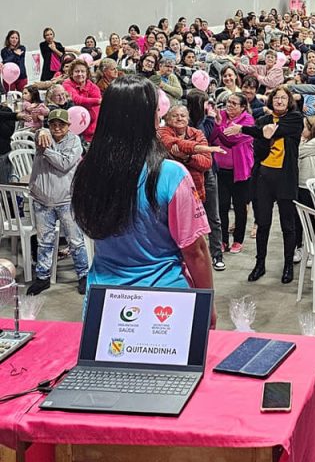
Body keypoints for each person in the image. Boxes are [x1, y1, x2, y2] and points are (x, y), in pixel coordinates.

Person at [71, 75, 216, 326]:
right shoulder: (171, 174)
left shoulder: (87, 169)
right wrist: (207, 305)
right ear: (148, 118)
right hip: (164, 303)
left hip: (105, 302)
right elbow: (196, 251)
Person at [26, 109, 90, 296]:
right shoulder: (43, 135)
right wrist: (41, 132)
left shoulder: (75, 141)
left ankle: (83, 275)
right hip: (42, 201)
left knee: (75, 241)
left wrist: (46, 150)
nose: (57, 127)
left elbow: (64, 164)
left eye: (61, 124)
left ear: (68, 126)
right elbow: (38, 133)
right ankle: (43, 277)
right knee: (44, 242)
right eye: (53, 124)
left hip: (66, 201)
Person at [245, 86, 303, 284]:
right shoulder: (262, 121)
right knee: (263, 224)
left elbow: (279, 130)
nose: (279, 101)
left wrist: (267, 134)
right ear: (271, 101)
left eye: (283, 98)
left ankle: (288, 265)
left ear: (289, 102)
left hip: (285, 178)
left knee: (289, 224)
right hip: (264, 177)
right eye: (276, 98)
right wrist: (263, 136)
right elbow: (259, 152)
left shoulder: (295, 119)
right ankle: (259, 264)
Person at [209, 93, 255, 255]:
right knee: (221, 206)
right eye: (228, 102)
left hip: (240, 172)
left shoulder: (248, 121)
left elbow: (232, 140)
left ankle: (238, 240)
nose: (229, 105)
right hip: (221, 171)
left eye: (234, 103)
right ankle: (222, 240)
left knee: (240, 207)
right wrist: (218, 127)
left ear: (242, 107)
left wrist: (219, 127)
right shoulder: (220, 115)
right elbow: (212, 137)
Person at [187, 90, 226, 271]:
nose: (208, 106)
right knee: (190, 217)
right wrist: (209, 120)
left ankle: (217, 254)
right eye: (205, 102)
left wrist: (214, 121)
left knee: (213, 216)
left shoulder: (207, 119)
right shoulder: (187, 122)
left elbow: (211, 138)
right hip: (189, 172)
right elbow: (200, 137)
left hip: (209, 171)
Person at [295, 115, 315, 263]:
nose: (301, 130)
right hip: (300, 184)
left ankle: (311, 250)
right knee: (297, 219)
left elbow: (296, 152)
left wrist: (299, 140)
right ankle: (300, 247)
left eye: (304, 127)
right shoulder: (308, 141)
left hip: (308, 186)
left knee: (309, 219)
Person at [62, 58, 102, 142]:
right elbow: (76, 100)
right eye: (76, 71)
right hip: (72, 130)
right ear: (71, 73)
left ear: (87, 73)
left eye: (82, 71)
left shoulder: (93, 87)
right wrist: (97, 101)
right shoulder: (67, 84)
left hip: (92, 129)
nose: (80, 74)